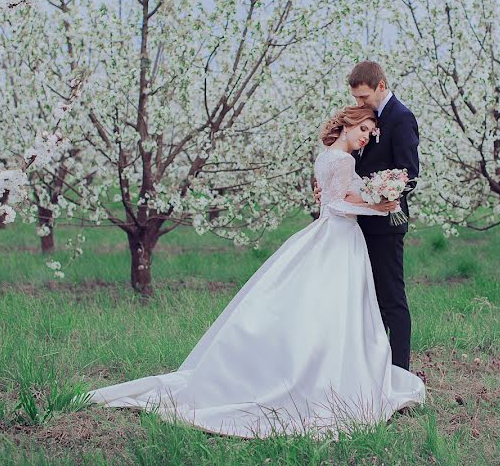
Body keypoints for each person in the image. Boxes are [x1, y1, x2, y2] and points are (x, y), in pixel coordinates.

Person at [88, 105, 425, 439]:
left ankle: (318, 365)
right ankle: (326, 375)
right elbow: (336, 205)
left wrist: (372, 196)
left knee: (327, 306)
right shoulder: (345, 160)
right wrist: (378, 208)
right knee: (335, 307)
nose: (366, 137)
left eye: (370, 132)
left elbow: (339, 196)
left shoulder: (325, 156)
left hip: (330, 235)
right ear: (349, 125)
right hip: (338, 237)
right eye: (364, 129)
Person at [315, 61, 419, 372]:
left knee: (391, 301)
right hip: (354, 227)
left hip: (385, 225)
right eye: (356, 98)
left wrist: (372, 197)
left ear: (381, 87)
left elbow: (408, 174)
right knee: (363, 305)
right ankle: (367, 369)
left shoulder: (401, 118)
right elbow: (347, 168)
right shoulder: (366, 120)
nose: (359, 103)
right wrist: (329, 190)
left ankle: (399, 373)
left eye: (363, 97)